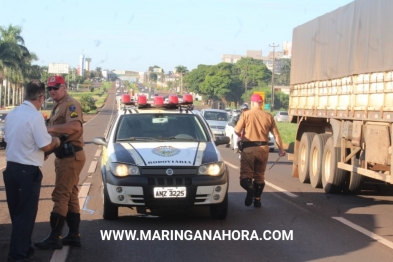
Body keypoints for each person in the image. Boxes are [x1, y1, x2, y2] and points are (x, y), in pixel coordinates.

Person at [3, 80, 61, 262]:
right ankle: (17, 255)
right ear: (40, 97)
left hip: (10, 169)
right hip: (27, 171)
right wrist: (56, 141)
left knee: (17, 214)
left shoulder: (12, 114)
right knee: (26, 216)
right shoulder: (34, 116)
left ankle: (25, 248)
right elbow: (45, 145)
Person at [35, 75, 86, 250]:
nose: (52, 91)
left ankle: (54, 237)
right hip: (64, 156)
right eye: (50, 89)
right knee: (71, 196)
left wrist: (49, 128)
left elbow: (75, 127)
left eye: (55, 87)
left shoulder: (70, 104)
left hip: (71, 157)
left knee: (60, 195)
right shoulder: (57, 106)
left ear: (63, 87)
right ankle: (73, 235)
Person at [234, 94, 286, 208]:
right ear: (261, 103)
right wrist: (281, 150)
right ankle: (257, 200)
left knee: (245, 176)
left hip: (248, 149)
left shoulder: (246, 114)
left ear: (252, 103)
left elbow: (237, 131)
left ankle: (250, 189)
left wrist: (243, 134)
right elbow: (276, 135)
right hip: (263, 149)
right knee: (259, 176)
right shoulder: (269, 116)